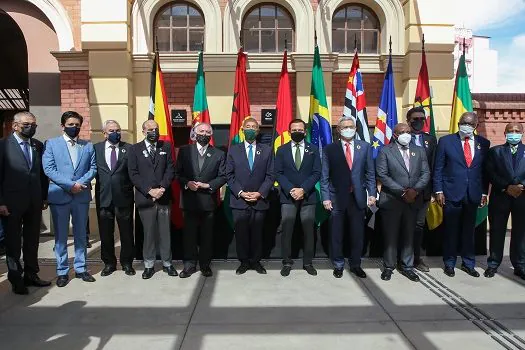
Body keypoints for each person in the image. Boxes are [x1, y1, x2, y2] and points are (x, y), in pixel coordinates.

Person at [43, 111, 97, 287]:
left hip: (80, 195)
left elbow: (93, 168)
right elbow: (49, 169)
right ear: (63, 126)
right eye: (71, 124)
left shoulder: (87, 145)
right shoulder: (51, 144)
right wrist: (69, 185)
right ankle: (62, 271)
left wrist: (79, 184)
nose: (74, 127)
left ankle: (81, 268)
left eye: (77, 125)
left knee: (81, 234)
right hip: (60, 195)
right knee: (61, 236)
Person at [434, 112, 490, 277]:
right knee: (451, 230)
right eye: (463, 122)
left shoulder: (483, 143)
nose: (466, 125)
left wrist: (484, 192)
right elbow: (438, 168)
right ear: (458, 123)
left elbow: (484, 172)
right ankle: (449, 263)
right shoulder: (445, 141)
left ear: (476, 126)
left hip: (472, 193)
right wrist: (438, 190)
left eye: (470, 123)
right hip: (451, 193)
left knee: (468, 231)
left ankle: (468, 263)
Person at [0, 111, 50, 294]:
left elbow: (42, 175)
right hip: (11, 204)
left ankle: (31, 274)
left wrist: (44, 197)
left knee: (32, 241)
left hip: (34, 202)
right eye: (27, 124)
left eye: (34, 125)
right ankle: (15, 279)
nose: (31, 128)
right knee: (13, 243)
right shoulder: (3, 145)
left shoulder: (37, 145)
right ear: (15, 126)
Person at [321, 116, 376, 279]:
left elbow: (370, 173)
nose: (348, 129)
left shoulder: (364, 147)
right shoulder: (330, 149)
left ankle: (355, 264)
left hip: (357, 197)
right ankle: (338, 264)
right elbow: (325, 176)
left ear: (356, 128)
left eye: (351, 126)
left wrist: (372, 194)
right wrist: (325, 197)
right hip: (336, 197)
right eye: (344, 127)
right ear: (338, 130)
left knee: (357, 233)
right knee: (337, 233)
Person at [376, 123, 430, 282]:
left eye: (408, 132)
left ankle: (407, 266)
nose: (406, 134)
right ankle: (389, 266)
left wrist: (415, 190)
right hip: (392, 200)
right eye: (402, 132)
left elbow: (426, 173)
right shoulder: (385, 150)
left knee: (409, 234)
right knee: (391, 236)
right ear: (394, 135)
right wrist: (402, 192)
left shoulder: (419, 151)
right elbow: (382, 174)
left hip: (414, 199)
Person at [175, 122, 226, 278]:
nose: (204, 134)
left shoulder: (218, 154)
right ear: (195, 133)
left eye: (207, 132)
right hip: (189, 202)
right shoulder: (184, 152)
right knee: (189, 236)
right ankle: (189, 265)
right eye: (201, 131)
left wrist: (209, 185)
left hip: (208, 202)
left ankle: (205, 265)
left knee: (207, 236)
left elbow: (223, 176)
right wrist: (187, 183)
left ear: (211, 135)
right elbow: (177, 174)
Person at [128, 119, 176, 279]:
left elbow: (170, 169)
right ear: (143, 131)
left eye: (155, 129)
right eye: (149, 129)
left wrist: (161, 188)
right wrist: (150, 191)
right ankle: (149, 264)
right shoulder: (135, 149)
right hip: (145, 198)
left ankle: (167, 263)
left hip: (163, 197)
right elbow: (133, 173)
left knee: (165, 233)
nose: (153, 132)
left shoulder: (166, 147)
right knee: (148, 233)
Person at [226, 117, 274, 275]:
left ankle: (256, 262)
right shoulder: (233, 150)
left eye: (254, 127)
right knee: (241, 234)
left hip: (259, 200)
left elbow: (270, 175)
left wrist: (260, 193)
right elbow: (229, 175)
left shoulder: (266, 150)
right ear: (242, 129)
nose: (251, 129)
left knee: (258, 233)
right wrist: (241, 192)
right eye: (248, 126)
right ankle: (244, 262)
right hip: (239, 200)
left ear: (258, 131)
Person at [275, 119, 321, 277]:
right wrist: (291, 190)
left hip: (308, 196)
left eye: (300, 130)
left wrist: (303, 189)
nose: (297, 132)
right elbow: (278, 173)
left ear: (305, 132)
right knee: (287, 230)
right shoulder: (281, 150)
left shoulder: (313, 149)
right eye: (294, 129)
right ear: (289, 132)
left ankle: (308, 263)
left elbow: (317, 172)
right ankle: (287, 262)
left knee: (308, 231)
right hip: (288, 197)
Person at [94, 120, 135, 277]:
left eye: (118, 130)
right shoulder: (95, 149)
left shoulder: (129, 149)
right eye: (111, 130)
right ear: (104, 133)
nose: (115, 133)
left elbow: (133, 171)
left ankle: (127, 263)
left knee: (126, 233)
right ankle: (109, 263)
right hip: (104, 197)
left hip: (124, 197)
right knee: (105, 233)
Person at [485, 122, 525, 279]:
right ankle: (493, 263)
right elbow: (490, 172)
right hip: (500, 196)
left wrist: (521, 186)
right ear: (505, 133)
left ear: (522, 133)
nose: (513, 133)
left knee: (521, 233)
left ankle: (520, 265)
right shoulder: (495, 152)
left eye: (517, 131)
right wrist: (506, 186)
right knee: (496, 231)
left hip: (522, 197)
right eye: (510, 131)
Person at [407, 107, 437, 272]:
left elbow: (434, 166)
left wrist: (435, 190)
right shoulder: (401, 137)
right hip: (405, 192)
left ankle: (416, 258)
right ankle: (402, 258)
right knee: (404, 225)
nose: (418, 122)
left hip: (424, 192)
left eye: (421, 119)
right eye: (415, 119)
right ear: (408, 120)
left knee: (418, 226)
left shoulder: (431, 140)